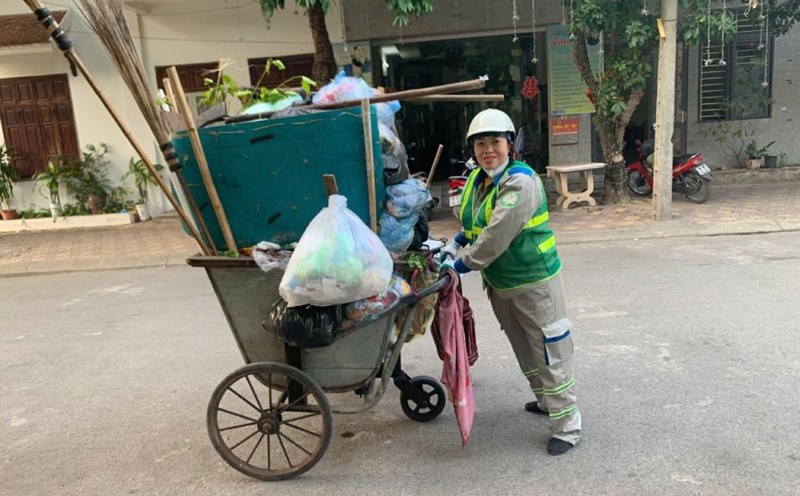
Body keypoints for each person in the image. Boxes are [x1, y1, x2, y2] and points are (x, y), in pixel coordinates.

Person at [440, 108, 581, 456]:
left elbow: (495, 236)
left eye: (496, 142)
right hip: (501, 284)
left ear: (509, 146)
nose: (489, 150)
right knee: (525, 350)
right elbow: (476, 222)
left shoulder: (521, 182)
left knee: (550, 351)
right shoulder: (477, 179)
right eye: (481, 144)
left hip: (535, 282)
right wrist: (457, 239)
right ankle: (547, 401)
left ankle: (568, 426)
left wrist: (460, 265)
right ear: (473, 148)